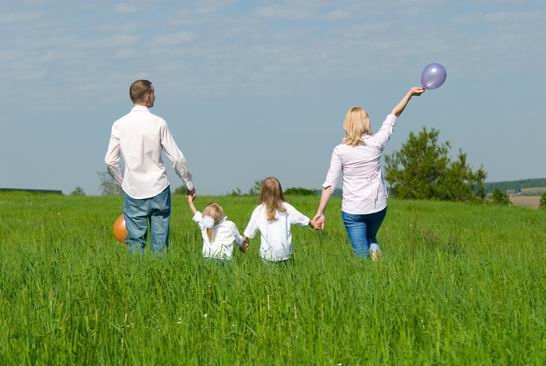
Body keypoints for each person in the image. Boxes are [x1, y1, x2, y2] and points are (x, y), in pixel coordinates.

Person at [313, 87, 425, 261]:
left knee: (360, 255)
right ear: (365, 123)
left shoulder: (340, 151)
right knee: (371, 236)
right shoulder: (376, 143)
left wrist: (321, 212)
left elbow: (330, 184)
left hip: (353, 210)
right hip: (377, 207)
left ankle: (370, 271)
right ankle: (375, 251)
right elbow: (393, 115)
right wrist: (409, 94)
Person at [104, 80, 195, 255]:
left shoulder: (119, 124)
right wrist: (189, 184)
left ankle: (138, 280)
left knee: (135, 243)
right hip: (159, 189)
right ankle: (160, 278)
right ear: (147, 96)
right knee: (160, 243)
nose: (155, 96)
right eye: (153, 93)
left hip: (134, 190)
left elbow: (110, 161)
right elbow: (176, 158)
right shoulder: (159, 123)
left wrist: (121, 182)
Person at [243, 177, 321, 263]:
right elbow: (300, 218)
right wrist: (311, 223)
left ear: (262, 192)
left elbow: (249, 231)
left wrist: (244, 242)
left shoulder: (259, 210)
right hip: (285, 254)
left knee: (268, 276)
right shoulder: (286, 207)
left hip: (267, 255)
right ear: (279, 191)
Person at [187, 196, 248, 262]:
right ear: (220, 214)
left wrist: (190, 201)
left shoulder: (204, 224)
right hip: (225, 259)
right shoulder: (230, 225)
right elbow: (238, 240)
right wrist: (244, 243)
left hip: (207, 259)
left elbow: (196, 214)